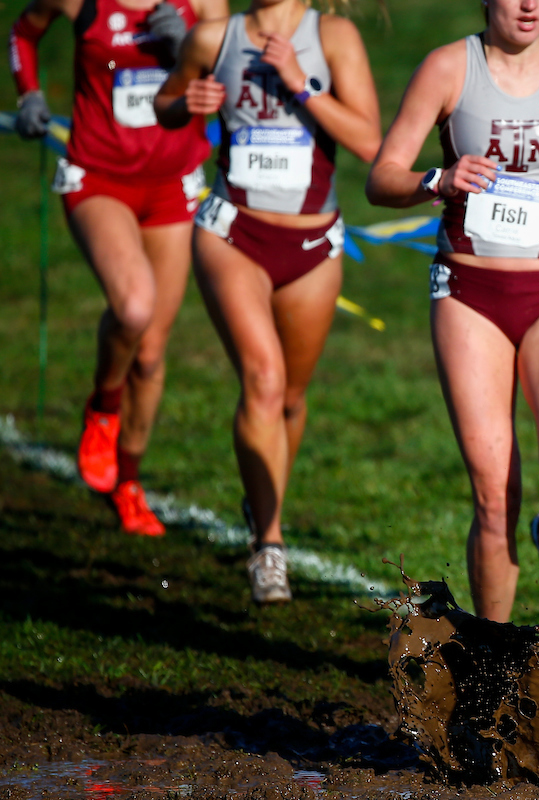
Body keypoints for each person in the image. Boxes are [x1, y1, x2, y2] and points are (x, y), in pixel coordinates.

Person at [365, 0, 539, 628]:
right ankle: (492, 659)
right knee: (493, 492)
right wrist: (439, 179)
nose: (529, 5)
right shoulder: (449, 67)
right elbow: (381, 178)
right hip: (467, 293)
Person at [154, 0, 380, 603]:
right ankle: (269, 544)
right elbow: (165, 104)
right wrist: (186, 104)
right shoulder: (214, 38)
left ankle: (261, 508)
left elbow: (368, 141)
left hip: (312, 243)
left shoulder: (333, 37)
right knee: (263, 379)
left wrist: (301, 85)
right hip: (233, 232)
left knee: (291, 397)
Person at [9, 0, 226, 535]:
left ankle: (128, 481)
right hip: (99, 176)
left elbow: (227, 83)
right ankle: (104, 407)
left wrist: (187, 51)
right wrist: (29, 93)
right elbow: (23, 32)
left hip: (174, 183)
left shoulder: (203, 2)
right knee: (133, 307)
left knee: (150, 355)